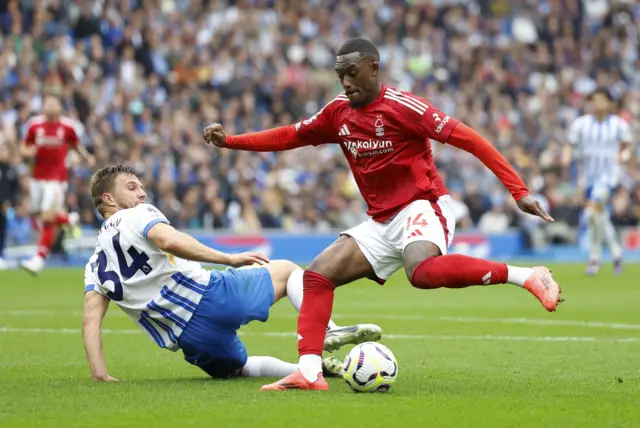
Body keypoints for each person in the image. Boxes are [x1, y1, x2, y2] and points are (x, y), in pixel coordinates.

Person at [202, 38, 563, 391]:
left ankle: (528, 276)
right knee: (317, 276)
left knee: (421, 272)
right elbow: (289, 135)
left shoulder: (405, 107)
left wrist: (519, 191)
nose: (345, 81)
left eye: (352, 72)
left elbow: (470, 140)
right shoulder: (337, 112)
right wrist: (230, 141)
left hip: (424, 204)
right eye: (339, 74)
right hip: (382, 220)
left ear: (374, 68)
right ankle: (309, 372)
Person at [82, 165, 380, 382]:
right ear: (108, 199)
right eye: (131, 187)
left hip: (190, 338)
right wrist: (229, 258)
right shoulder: (136, 214)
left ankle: (307, 370)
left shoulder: (94, 264)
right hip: (212, 296)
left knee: (238, 368)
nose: (142, 192)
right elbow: (168, 240)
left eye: (140, 186)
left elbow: (91, 319)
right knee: (289, 270)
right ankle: (327, 329)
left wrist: (100, 374)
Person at [19, 94, 95, 275]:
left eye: (54, 104)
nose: (51, 107)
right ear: (43, 106)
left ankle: (38, 258)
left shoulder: (68, 126)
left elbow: (76, 145)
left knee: (46, 216)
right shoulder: (34, 125)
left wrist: (87, 157)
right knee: (38, 213)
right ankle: (69, 219)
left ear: (59, 107)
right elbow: (24, 148)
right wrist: (29, 151)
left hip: (57, 178)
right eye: (48, 104)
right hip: (37, 177)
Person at [563, 88, 633, 276]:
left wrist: (624, 154)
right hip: (588, 177)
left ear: (609, 103)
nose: (597, 104)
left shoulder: (618, 124)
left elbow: (628, 144)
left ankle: (595, 258)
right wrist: (566, 158)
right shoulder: (581, 124)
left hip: (608, 177)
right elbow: (570, 144)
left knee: (592, 211)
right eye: (594, 100)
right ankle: (617, 253)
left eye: (602, 100)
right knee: (595, 216)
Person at [0, 144, 20, 270]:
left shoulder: (11, 171)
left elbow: (15, 190)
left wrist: (10, 203)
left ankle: (1, 255)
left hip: (4, 208)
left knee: (2, 231)